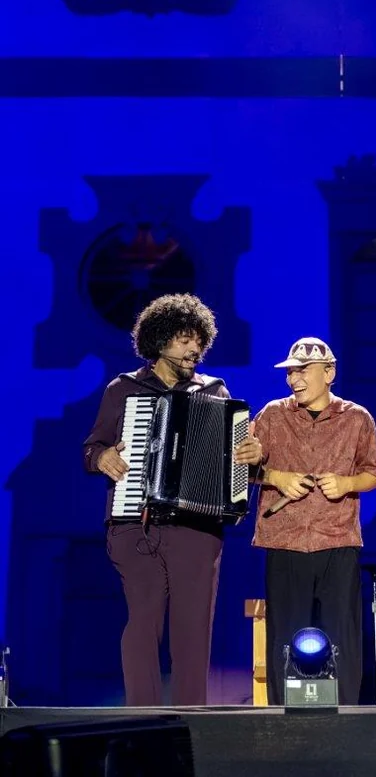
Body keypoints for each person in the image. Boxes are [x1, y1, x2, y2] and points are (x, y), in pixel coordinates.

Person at [83, 293, 261, 706]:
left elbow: (233, 464)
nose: (193, 349)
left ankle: (190, 721)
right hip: (136, 524)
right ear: (160, 341)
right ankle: (142, 719)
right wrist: (101, 457)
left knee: (192, 631)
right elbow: (92, 447)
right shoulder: (124, 389)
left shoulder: (215, 391)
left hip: (197, 530)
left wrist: (251, 458)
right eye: (184, 340)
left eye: (199, 341)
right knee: (143, 622)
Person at [251, 337, 376, 705]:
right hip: (285, 540)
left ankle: (346, 717)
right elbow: (241, 468)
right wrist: (277, 477)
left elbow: (374, 473)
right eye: (290, 373)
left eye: (302, 371)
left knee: (342, 638)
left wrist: (346, 484)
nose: (293, 380)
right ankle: (283, 716)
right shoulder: (272, 415)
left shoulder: (356, 418)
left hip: (337, 541)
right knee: (284, 639)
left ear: (329, 373)